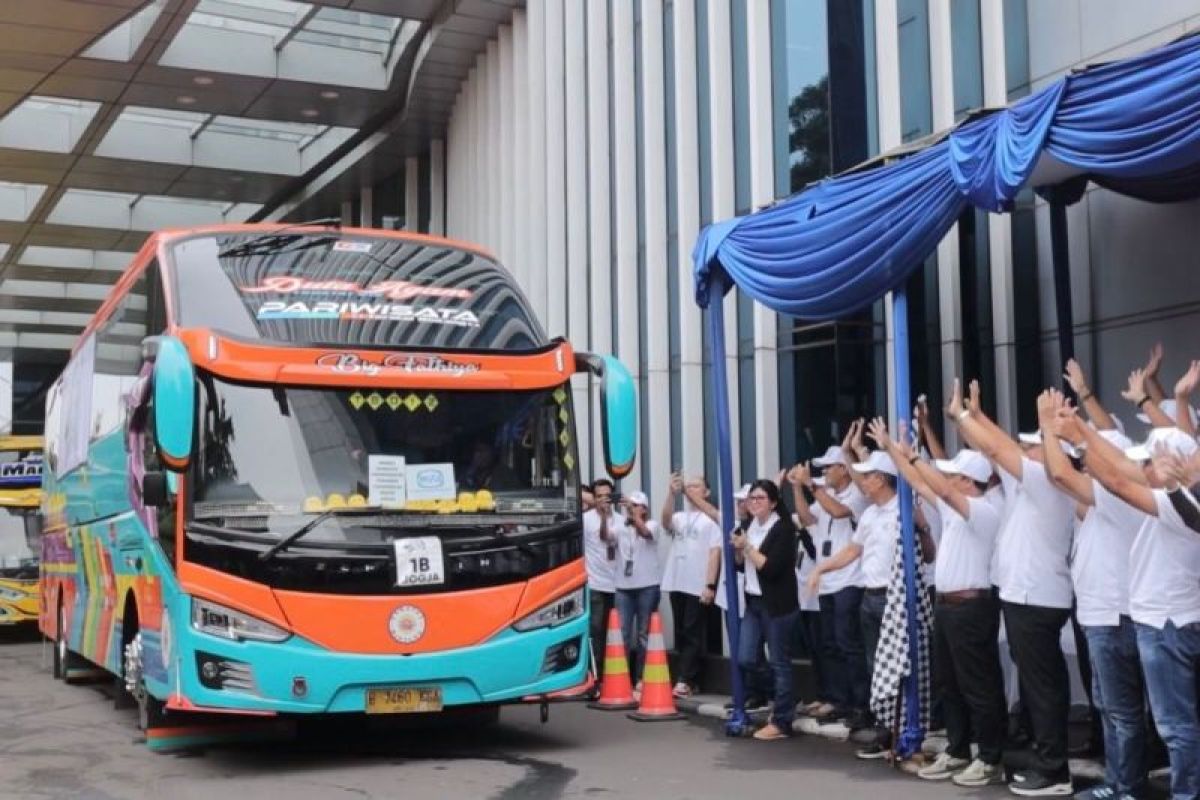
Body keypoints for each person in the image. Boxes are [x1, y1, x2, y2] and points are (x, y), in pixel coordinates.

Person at [1059, 403, 1200, 800]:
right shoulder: (1176, 496)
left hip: (1168, 625)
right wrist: (1080, 434)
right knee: (1172, 723)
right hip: (1163, 622)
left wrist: (1078, 440)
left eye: (1151, 461)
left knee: (1176, 726)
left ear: (1173, 464)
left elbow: (1119, 479)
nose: (1141, 468)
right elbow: (1122, 466)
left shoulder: (1178, 502)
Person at [952, 378, 1076, 797]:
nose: (1025, 451)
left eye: (1034, 445)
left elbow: (996, 450)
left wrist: (968, 418)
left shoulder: (1050, 483)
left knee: (1043, 687)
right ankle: (1047, 761)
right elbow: (999, 447)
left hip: (1036, 597)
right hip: (1027, 595)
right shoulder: (1033, 482)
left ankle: (1053, 770)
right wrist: (972, 416)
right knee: (1039, 685)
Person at [873, 420, 1006, 787]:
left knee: (978, 686)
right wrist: (892, 451)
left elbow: (942, 490)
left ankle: (991, 758)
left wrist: (914, 455)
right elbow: (918, 483)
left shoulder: (983, 510)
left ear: (967, 481)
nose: (950, 481)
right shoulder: (955, 509)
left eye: (955, 476)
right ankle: (959, 750)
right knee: (951, 684)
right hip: (948, 607)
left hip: (971, 607)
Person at [1039, 381, 1151, 800]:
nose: (1085, 465)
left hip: (1114, 616)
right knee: (1113, 710)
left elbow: (1061, 474)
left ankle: (1127, 788)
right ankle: (1122, 784)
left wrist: (1050, 428)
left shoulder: (1121, 495)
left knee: (1122, 713)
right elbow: (1063, 476)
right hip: (1101, 615)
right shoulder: (1108, 496)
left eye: (1092, 459)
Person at [792, 430, 870, 727]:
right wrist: (800, 489)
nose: (825, 472)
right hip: (827, 581)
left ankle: (860, 703)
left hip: (850, 579)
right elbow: (807, 518)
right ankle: (839, 699)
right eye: (822, 468)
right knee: (831, 644)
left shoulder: (857, 495)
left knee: (849, 643)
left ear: (843, 469)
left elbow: (838, 513)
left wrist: (812, 484)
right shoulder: (826, 493)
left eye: (829, 467)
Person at [731, 478, 800, 741]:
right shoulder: (747, 526)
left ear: (772, 502)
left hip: (777, 604)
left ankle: (782, 720)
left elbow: (770, 568)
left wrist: (746, 547)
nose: (754, 503)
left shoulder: (782, 529)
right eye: (751, 499)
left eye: (760, 498)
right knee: (746, 657)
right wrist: (739, 551)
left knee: (779, 660)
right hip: (754, 600)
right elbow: (741, 566)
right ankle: (784, 698)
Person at [659, 473, 723, 697]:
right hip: (677, 580)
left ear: (706, 492)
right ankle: (686, 678)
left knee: (693, 630)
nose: (691, 490)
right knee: (681, 631)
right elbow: (665, 521)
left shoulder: (712, 520)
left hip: (697, 583)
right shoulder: (680, 516)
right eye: (689, 486)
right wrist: (670, 493)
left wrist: (710, 584)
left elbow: (715, 553)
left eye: (697, 487)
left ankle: (686, 679)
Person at [614, 491, 662, 688]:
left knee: (644, 634)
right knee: (622, 633)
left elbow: (645, 533)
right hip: (623, 587)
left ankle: (642, 678)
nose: (631, 508)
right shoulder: (620, 526)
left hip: (647, 586)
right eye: (630, 505)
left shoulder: (652, 524)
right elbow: (605, 536)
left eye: (636, 505)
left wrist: (633, 516)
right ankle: (622, 678)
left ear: (644, 509)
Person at [583, 479, 621, 677]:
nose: (603, 500)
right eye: (599, 496)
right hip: (595, 583)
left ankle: (612, 674)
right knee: (595, 629)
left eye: (607, 496)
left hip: (617, 584)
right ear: (593, 498)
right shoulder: (586, 519)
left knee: (614, 631)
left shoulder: (622, 520)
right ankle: (594, 673)